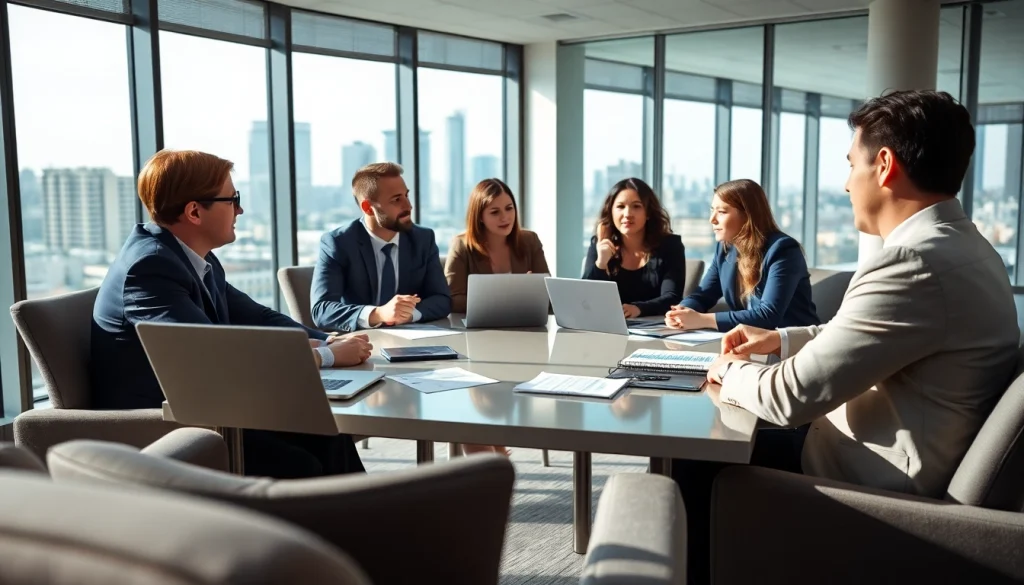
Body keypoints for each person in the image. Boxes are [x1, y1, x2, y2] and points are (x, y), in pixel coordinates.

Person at [674, 90, 1021, 585]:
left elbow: (789, 397)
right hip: (899, 454)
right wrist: (781, 340)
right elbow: (867, 332)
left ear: (883, 165)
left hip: (876, 489)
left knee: (697, 458)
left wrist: (725, 368)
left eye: (850, 164)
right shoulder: (966, 247)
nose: (844, 185)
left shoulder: (913, 261)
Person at [91, 149, 372, 479]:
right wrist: (326, 356)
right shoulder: (150, 267)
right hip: (167, 422)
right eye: (232, 199)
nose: (240, 209)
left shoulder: (193, 256)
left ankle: (360, 527)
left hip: (213, 401)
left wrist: (330, 339)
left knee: (328, 434)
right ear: (195, 211)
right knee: (300, 462)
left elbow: (258, 317)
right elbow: (219, 361)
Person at [664, 179, 820, 332]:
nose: (712, 219)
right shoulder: (725, 248)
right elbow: (703, 294)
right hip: (747, 342)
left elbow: (768, 316)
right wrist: (682, 310)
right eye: (712, 210)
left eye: (722, 212)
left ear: (747, 216)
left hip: (792, 345)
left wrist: (701, 320)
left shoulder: (783, 250)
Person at [311, 162, 451, 332]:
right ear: (368, 208)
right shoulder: (338, 243)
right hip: (361, 343)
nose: (408, 206)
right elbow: (322, 310)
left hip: (413, 340)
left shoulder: (423, 239)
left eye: (406, 196)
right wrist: (378, 314)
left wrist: (409, 313)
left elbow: (442, 299)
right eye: (397, 199)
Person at [582, 178, 685, 318]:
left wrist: (639, 308)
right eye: (620, 207)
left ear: (648, 213)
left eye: (636, 206)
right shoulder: (599, 244)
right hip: (608, 329)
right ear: (611, 212)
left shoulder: (670, 245)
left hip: (654, 331)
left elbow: (672, 297)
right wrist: (601, 263)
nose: (627, 214)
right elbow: (585, 299)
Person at [444, 178, 550, 313]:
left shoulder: (530, 240)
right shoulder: (461, 246)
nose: (505, 217)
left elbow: (548, 295)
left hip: (525, 325)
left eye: (509, 208)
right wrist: (515, 295)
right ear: (480, 217)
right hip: (479, 330)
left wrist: (534, 289)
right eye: (495, 212)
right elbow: (453, 300)